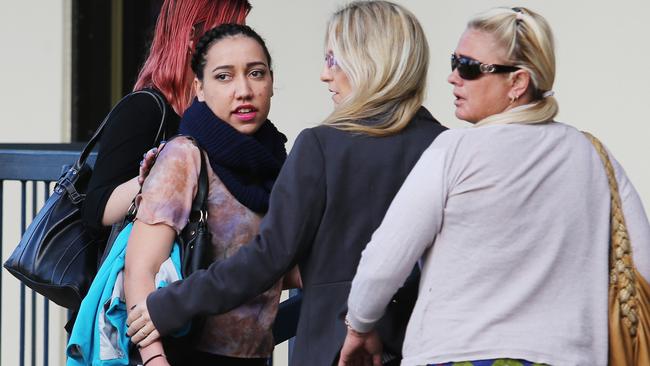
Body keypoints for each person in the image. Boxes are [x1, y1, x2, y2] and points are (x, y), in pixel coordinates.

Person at [126, 1, 447, 365]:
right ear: (199, 86)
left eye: (333, 59)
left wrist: (170, 305)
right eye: (224, 76)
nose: (325, 75)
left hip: (335, 348)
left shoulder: (321, 145)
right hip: (428, 345)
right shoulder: (447, 146)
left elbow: (270, 257)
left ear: (367, 62)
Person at [339, 6, 650, 366]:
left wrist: (359, 327)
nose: (453, 77)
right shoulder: (595, 156)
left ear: (518, 82)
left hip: (456, 354)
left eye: (469, 67)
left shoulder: (453, 151)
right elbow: (642, 264)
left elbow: (383, 262)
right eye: (454, 61)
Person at [123, 23, 287, 366]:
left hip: (255, 354)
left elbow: (278, 267)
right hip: (186, 353)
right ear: (199, 88)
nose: (243, 90)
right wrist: (154, 359)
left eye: (256, 73)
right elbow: (142, 269)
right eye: (224, 77)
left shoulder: (276, 162)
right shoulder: (185, 155)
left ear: (271, 81)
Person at [81, 0, 251, 237]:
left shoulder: (218, 110)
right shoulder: (142, 109)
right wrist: (163, 173)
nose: (241, 45)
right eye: (230, 32)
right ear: (193, 38)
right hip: (147, 266)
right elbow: (96, 209)